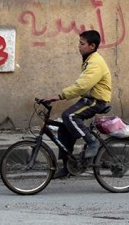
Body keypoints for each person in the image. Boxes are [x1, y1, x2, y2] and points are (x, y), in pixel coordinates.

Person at [46, 30, 112, 179]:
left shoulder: (95, 62)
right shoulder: (89, 59)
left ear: (92, 46)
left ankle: (92, 142)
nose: (79, 47)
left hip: (97, 100)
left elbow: (82, 86)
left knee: (68, 115)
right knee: (64, 127)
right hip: (89, 99)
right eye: (79, 43)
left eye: (82, 44)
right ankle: (67, 166)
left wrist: (60, 96)